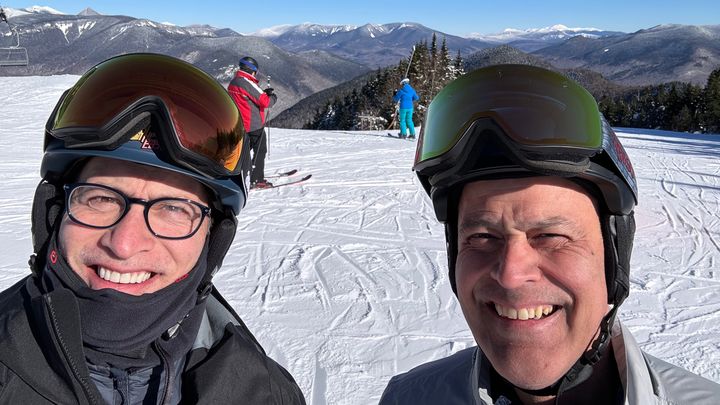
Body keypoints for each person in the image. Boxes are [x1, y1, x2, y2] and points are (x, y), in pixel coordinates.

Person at [380, 64, 720, 404]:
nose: (511, 275)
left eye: (550, 236)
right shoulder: (407, 398)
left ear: (614, 257)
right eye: (482, 236)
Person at [0, 53, 306, 404]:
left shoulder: (265, 393)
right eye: (101, 198)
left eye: (174, 209)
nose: (125, 245)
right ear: (54, 213)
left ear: (212, 238)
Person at [227, 55, 277, 189]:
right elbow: (265, 102)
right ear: (252, 70)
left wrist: (263, 93)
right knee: (260, 151)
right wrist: (273, 97)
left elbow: (247, 98)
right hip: (253, 126)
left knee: (242, 153)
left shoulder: (234, 82)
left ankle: (238, 174)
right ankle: (256, 179)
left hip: (240, 125)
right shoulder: (246, 82)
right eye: (255, 71)